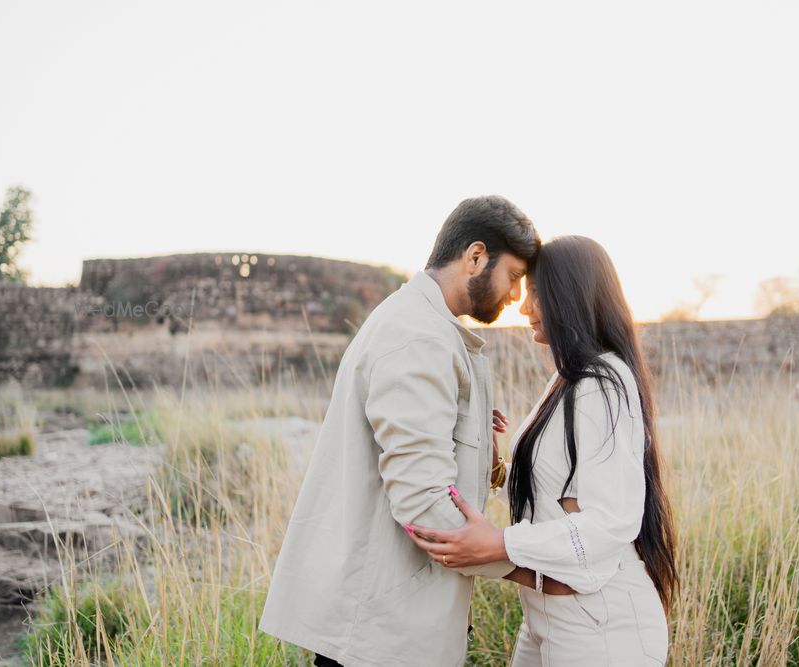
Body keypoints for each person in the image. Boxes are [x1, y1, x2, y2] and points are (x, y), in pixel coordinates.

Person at [259, 196, 541, 667]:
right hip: (379, 634)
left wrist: (485, 458)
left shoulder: (423, 325)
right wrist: (524, 566)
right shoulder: (418, 337)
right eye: (513, 276)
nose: (516, 296)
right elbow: (422, 502)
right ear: (475, 257)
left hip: (386, 626)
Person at [407, 235, 679, 666]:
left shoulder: (603, 383)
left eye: (535, 293)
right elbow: (553, 490)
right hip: (546, 615)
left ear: (568, 296)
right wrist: (495, 464)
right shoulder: (568, 378)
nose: (524, 306)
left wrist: (500, 544)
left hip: (601, 625)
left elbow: (610, 522)